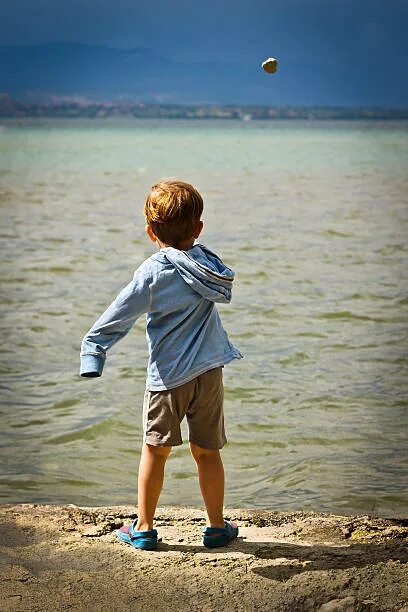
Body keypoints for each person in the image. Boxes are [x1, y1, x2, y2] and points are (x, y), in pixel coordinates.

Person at [80, 179, 242, 550]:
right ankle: (217, 526)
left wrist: (94, 350)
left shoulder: (152, 273)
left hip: (168, 378)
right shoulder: (208, 264)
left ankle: (144, 527)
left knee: (155, 450)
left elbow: (118, 316)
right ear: (199, 229)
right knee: (207, 451)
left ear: (150, 232)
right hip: (209, 372)